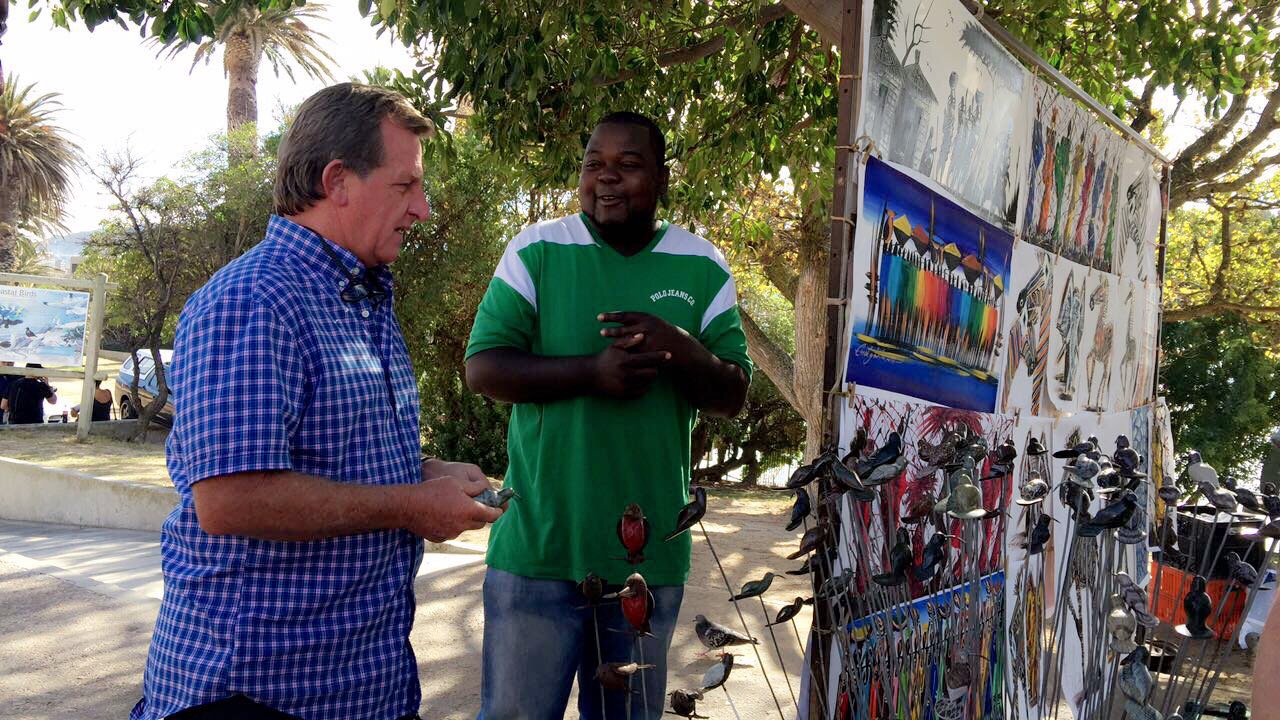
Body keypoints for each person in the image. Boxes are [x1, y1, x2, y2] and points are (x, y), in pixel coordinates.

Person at [130, 83, 504, 720]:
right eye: (405, 186)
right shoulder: (253, 301)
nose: (424, 209)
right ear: (339, 181)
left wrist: (424, 476)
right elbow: (230, 498)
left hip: (361, 689)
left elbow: (327, 460)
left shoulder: (361, 298)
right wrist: (412, 505)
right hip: (256, 694)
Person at [465, 112, 751, 719]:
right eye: (594, 163)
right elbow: (484, 367)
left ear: (663, 178)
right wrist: (591, 373)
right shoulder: (538, 249)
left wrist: (677, 346)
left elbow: (732, 393)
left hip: (643, 566)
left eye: (629, 164)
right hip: (538, 551)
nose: (607, 179)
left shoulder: (702, 265)